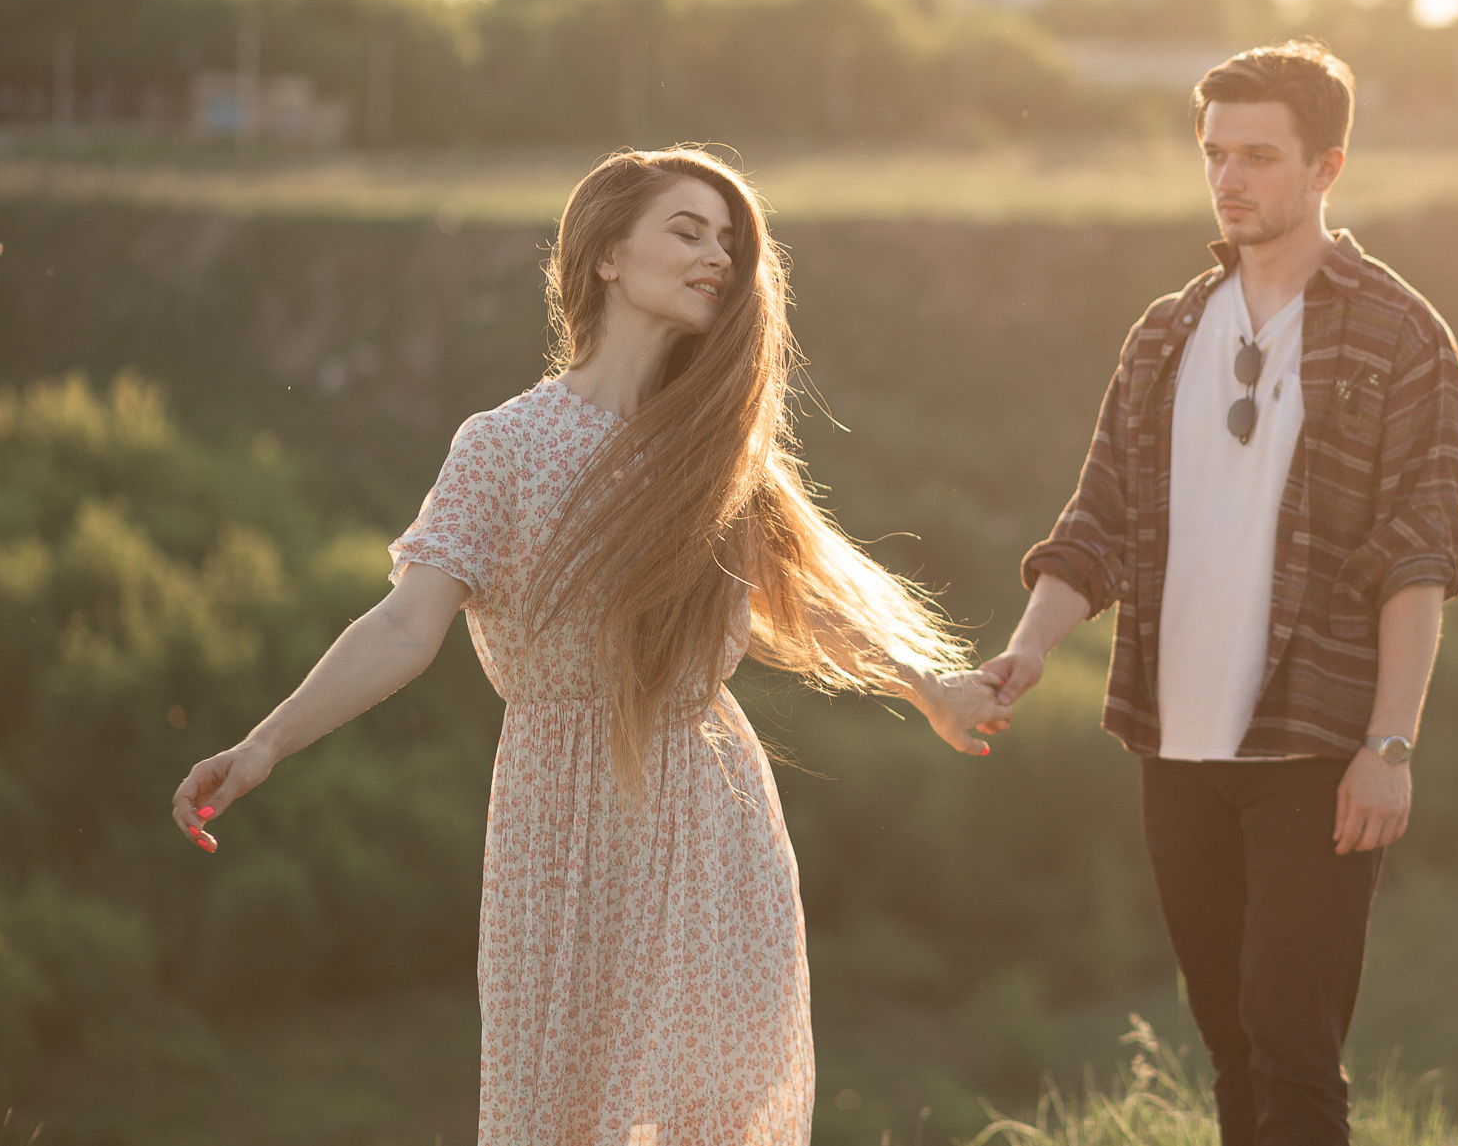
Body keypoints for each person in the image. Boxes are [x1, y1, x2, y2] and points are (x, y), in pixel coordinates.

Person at [170, 146, 1004, 1146]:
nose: (716, 259)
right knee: (562, 1107)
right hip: (562, 810)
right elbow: (403, 623)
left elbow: (801, 605)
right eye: (686, 232)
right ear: (607, 254)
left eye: (729, 243)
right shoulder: (505, 443)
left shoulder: (718, 445)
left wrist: (927, 688)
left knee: (711, 1106)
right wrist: (266, 741)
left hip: (709, 803)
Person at [981, 42, 1458, 1146]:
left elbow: (1417, 556)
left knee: (1292, 1041)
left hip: (1315, 749)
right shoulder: (1163, 333)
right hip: (1176, 746)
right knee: (1230, 1043)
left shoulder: (1402, 338)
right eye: (1213, 154)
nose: (1228, 179)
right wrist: (1029, 645)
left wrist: (1388, 746)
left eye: (1257, 154)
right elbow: (1096, 518)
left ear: (1325, 166)